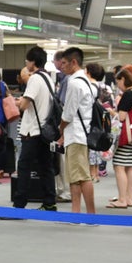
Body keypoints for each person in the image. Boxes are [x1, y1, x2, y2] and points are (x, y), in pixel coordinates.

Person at [4, 46, 57, 216]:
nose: (26, 64)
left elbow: (25, 105)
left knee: (24, 167)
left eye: (27, 61)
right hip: (44, 130)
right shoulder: (48, 78)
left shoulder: (34, 79)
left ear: (33, 62)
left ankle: (19, 206)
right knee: (45, 167)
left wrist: (17, 102)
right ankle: (49, 203)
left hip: (32, 131)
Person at [57, 47, 95, 215]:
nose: (61, 66)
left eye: (64, 63)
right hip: (82, 134)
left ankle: (88, 214)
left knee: (80, 177)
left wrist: (61, 129)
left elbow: (69, 113)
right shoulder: (86, 81)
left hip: (76, 135)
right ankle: (77, 212)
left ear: (74, 62)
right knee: (76, 176)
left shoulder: (74, 82)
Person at [107, 65, 132, 209]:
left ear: (123, 79)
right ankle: (129, 198)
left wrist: (110, 111)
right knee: (130, 167)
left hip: (126, 136)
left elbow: (121, 117)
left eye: (118, 82)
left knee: (119, 166)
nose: (118, 86)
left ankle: (122, 199)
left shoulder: (128, 94)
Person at [53, 50, 72, 203]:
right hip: (71, 129)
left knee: (64, 162)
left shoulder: (68, 80)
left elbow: (64, 105)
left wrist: (61, 130)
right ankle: (65, 191)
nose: (60, 66)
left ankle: (65, 192)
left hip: (67, 128)